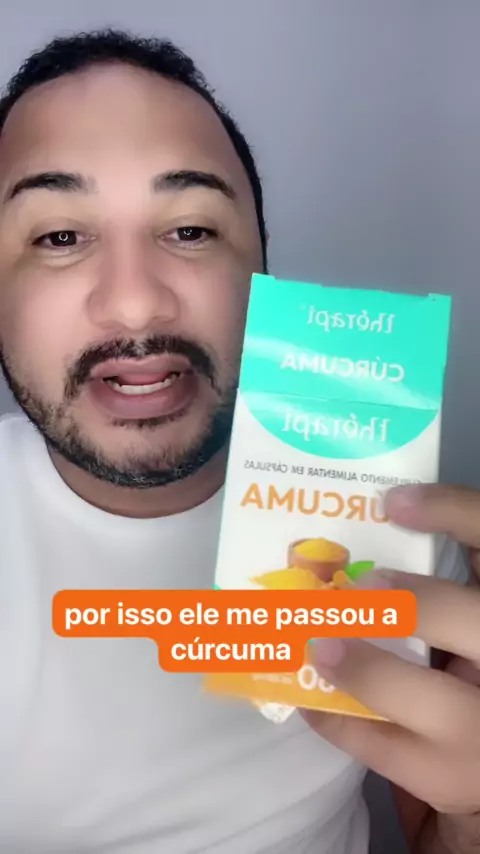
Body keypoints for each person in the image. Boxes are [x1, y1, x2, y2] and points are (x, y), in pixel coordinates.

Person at [0, 27, 478, 854]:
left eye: (190, 230)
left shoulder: (393, 528)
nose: (136, 304)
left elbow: (438, 835)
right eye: (59, 237)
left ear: (264, 274)